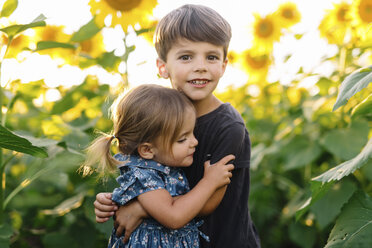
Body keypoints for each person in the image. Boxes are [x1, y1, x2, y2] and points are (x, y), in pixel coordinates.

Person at [94, 4, 261, 248]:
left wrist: (140, 208)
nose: (200, 66)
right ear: (163, 67)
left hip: (221, 240)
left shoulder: (228, 127)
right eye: (186, 57)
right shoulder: (158, 115)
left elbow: (208, 202)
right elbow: (143, 170)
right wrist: (116, 201)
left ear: (224, 65)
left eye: (211, 57)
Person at [82, 84, 235, 247]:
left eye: (193, 133)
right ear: (147, 150)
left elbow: (198, 207)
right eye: (182, 139)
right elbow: (174, 216)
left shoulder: (166, 165)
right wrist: (209, 182)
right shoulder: (144, 175)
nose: (195, 142)